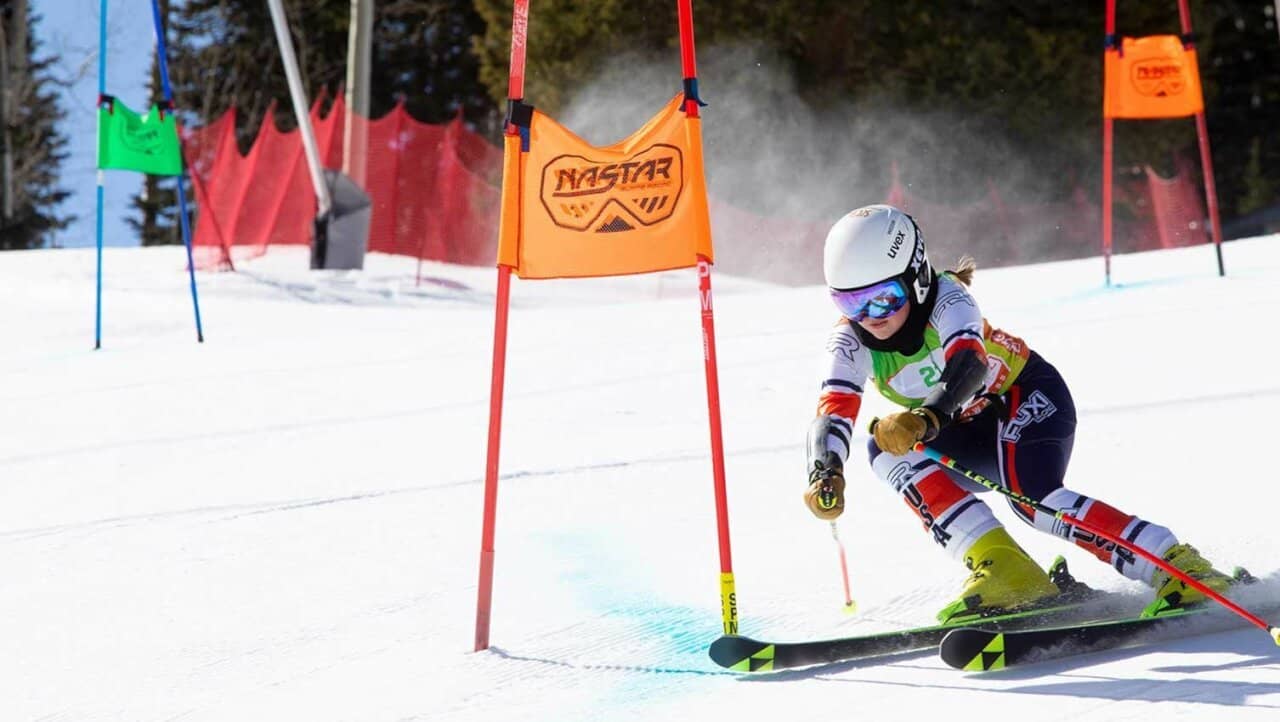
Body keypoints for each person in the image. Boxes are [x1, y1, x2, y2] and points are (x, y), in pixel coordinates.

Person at [803, 204, 1235, 622]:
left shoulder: (949, 300)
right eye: (848, 303)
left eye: (881, 299)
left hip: (1023, 397)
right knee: (884, 449)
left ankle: (1175, 565)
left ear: (916, 277)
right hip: (961, 426)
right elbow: (833, 410)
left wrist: (925, 419)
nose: (867, 318)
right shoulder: (849, 342)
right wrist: (825, 472)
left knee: (1034, 500)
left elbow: (968, 367)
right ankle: (1007, 570)